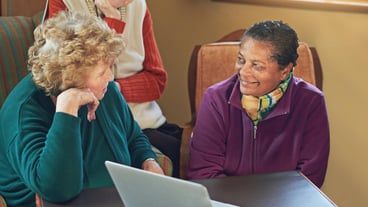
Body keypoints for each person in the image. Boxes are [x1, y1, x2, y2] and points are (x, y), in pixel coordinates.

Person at [0, 11, 164, 207]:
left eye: (111, 67)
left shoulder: (106, 91)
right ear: (70, 78)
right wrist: (66, 110)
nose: (110, 78)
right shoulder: (23, 112)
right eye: (102, 72)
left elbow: (133, 137)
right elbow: (58, 190)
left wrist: (148, 161)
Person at [45, 0, 182, 178]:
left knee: (189, 149)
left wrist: (114, 89)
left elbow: (157, 81)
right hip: (95, 123)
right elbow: (67, 73)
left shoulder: (139, 6)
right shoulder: (63, 3)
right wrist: (112, 22)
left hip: (147, 123)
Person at [187, 20, 330, 188]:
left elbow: (309, 179)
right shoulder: (215, 99)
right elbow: (203, 173)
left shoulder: (311, 102)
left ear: (284, 70)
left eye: (257, 66)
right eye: (241, 60)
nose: (243, 72)